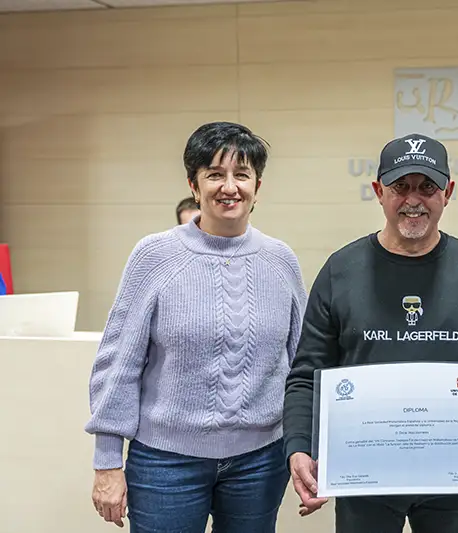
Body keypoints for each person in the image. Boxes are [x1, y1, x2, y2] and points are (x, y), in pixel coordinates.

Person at [282, 133, 458, 533]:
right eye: (401, 187)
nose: (414, 199)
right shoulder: (340, 271)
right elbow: (307, 374)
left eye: (427, 187)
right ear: (379, 191)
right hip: (364, 477)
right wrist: (299, 447)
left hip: (456, 478)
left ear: (448, 192)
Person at [85, 121, 307, 532]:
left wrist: (309, 448)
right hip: (165, 463)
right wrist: (107, 462)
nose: (229, 186)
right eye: (214, 174)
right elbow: (119, 361)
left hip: (260, 462)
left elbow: (302, 364)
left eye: (241, 175)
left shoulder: (281, 261)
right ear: (194, 183)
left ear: (258, 185)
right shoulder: (155, 255)